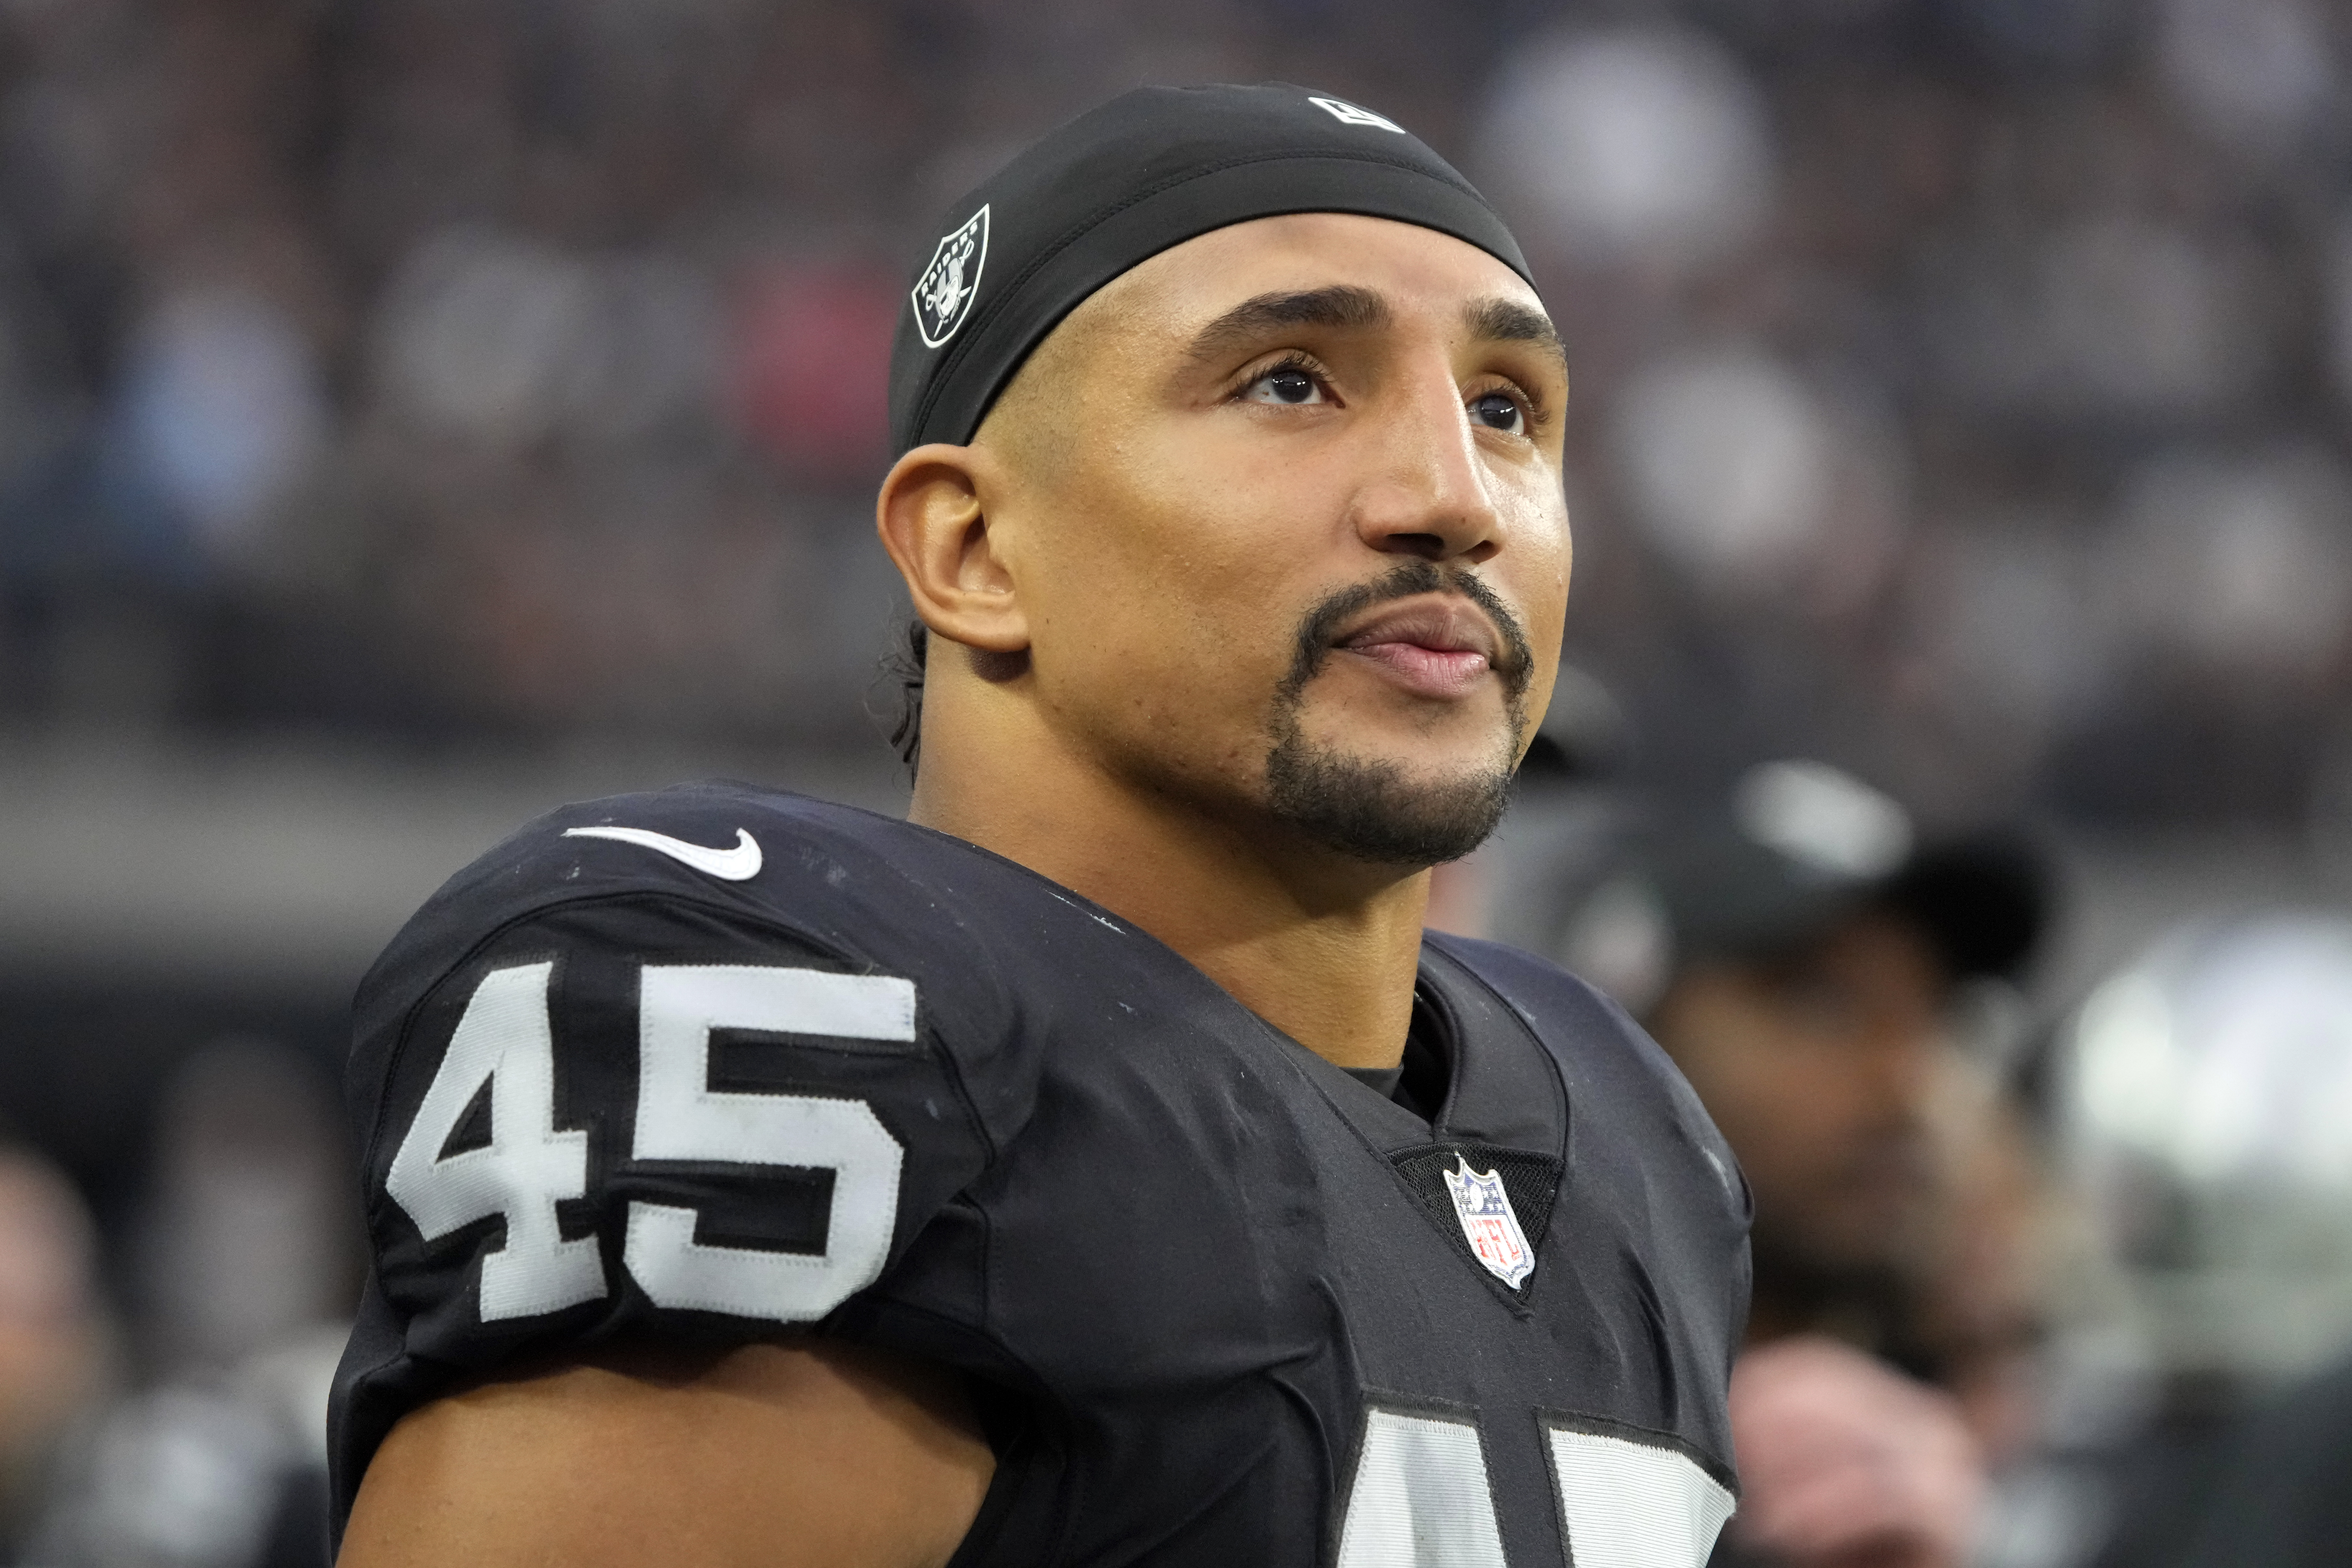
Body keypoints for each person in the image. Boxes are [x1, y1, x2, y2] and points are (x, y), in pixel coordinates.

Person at [327, 85, 1751, 1568]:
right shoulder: (812, 1026)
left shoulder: (1631, 1135)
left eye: (1506, 408)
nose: (1453, 498)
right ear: (972, 546)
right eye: (1288, 382)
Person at [1556, 760, 2048, 1568]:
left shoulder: (2036, 1447)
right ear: (1626, 1022)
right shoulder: (1490, 1398)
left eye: (1942, 1016)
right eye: (1823, 1002)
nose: (1909, 1082)